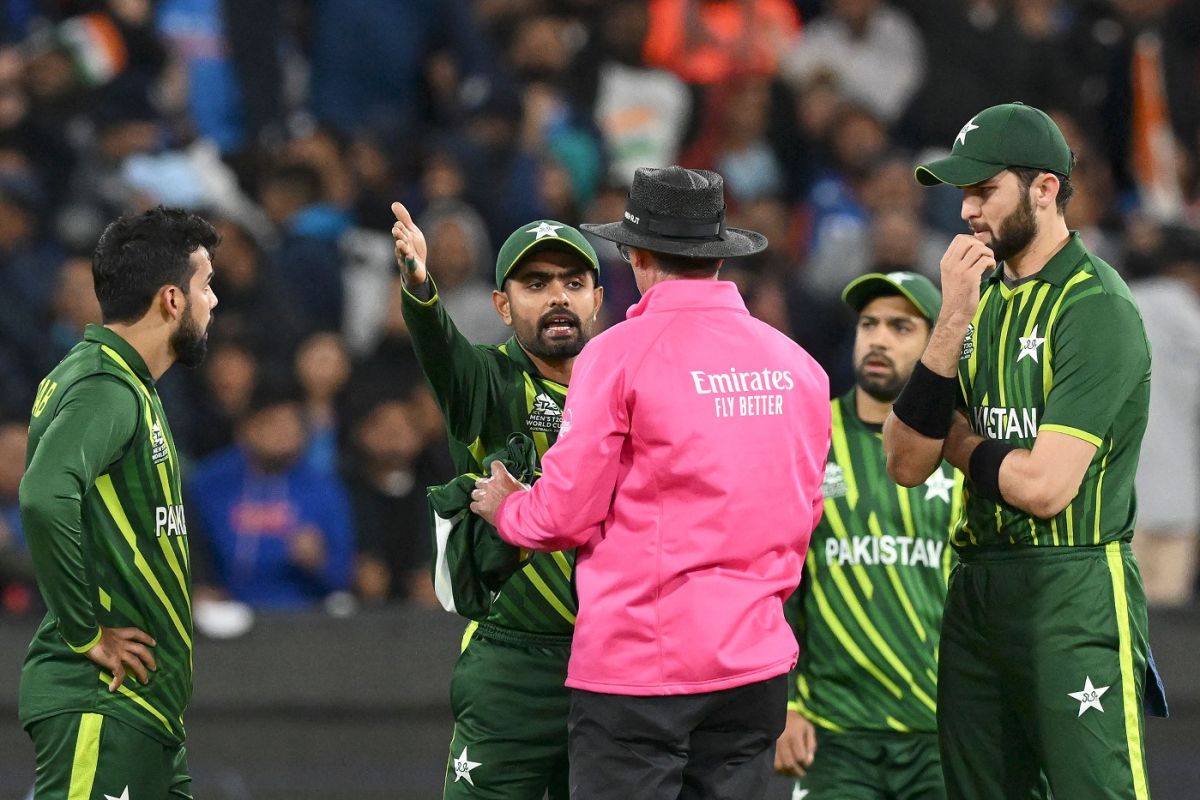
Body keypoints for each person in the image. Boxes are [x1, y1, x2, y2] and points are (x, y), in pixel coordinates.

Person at [470, 166, 832, 799]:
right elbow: (808, 511)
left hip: (640, 671)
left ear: (634, 254)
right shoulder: (798, 367)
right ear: (717, 256)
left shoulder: (615, 354)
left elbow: (563, 517)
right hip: (754, 664)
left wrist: (509, 508)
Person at [882, 102, 1164, 799]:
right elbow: (905, 462)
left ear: (1044, 189)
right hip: (976, 585)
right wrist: (949, 320)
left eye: (983, 192)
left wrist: (961, 440)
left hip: (1071, 589)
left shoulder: (1094, 307)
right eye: (963, 195)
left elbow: (1044, 487)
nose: (967, 213)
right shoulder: (974, 301)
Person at [390, 202, 604, 799]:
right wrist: (419, 287)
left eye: (573, 283)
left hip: (614, 663)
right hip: (513, 664)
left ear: (597, 299)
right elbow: (443, 353)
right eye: (536, 284)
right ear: (503, 306)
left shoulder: (625, 390)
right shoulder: (485, 383)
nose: (557, 297)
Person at [18, 206, 219, 799]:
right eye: (206, 285)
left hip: (145, 711)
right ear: (172, 301)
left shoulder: (123, 382)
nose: (215, 302)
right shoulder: (107, 388)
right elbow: (42, 496)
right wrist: (85, 634)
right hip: (100, 704)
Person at [775, 271, 961, 798]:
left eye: (901, 327)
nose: (878, 338)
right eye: (869, 324)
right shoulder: (807, 439)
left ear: (935, 345)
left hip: (941, 730)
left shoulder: (963, 447)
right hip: (833, 732)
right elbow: (778, 584)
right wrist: (785, 703)